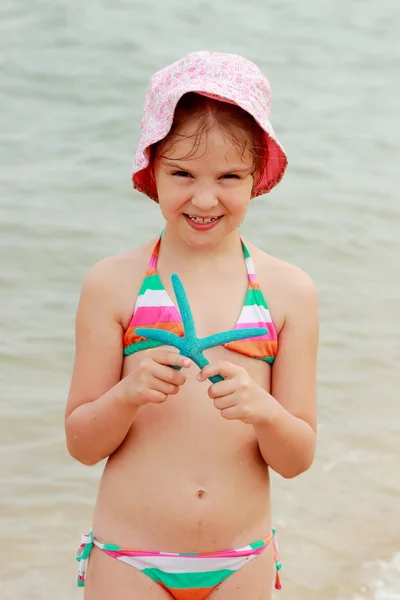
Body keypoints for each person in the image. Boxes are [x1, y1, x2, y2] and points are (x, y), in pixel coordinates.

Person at [66, 51, 319, 600]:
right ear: (151, 168)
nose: (204, 198)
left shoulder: (287, 291)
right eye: (181, 173)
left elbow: (297, 458)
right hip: (128, 557)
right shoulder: (114, 284)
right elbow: (82, 444)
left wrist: (264, 412)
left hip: (243, 558)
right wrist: (127, 395)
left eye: (230, 176)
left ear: (259, 176)